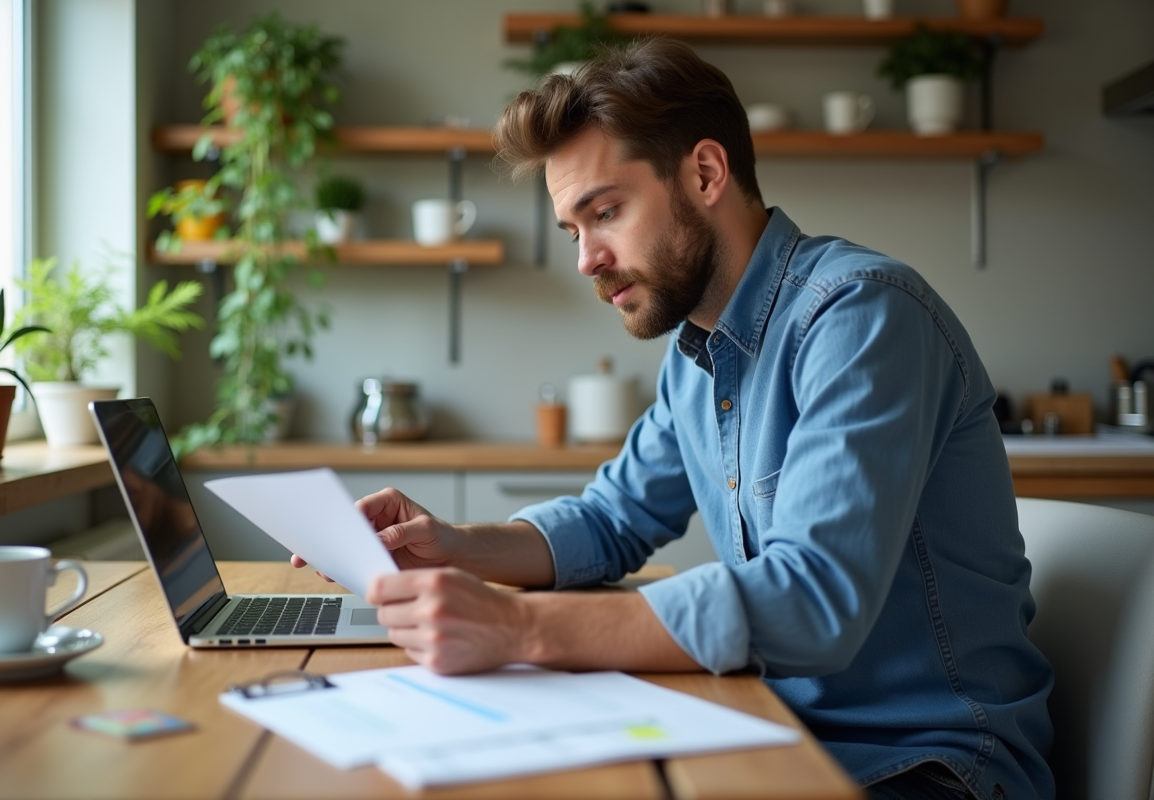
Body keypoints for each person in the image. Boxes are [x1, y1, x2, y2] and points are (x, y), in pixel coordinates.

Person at [294, 38, 1053, 800]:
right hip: (776, 726)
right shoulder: (698, 359)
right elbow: (609, 521)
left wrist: (521, 630)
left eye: (607, 212)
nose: (587, 258)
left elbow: (814, 599)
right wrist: (453, 549)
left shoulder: (861, 316)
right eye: (573, 230)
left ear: (705, 173)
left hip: (930, 764)